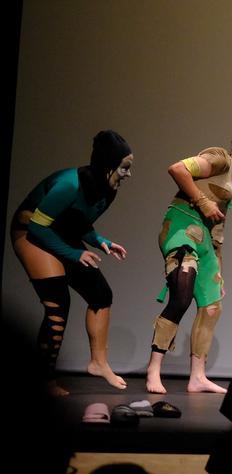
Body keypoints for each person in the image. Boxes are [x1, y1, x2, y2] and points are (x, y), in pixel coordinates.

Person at [10, 130, 132, 396]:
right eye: (124, 168)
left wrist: (100, 240)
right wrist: (75, 254)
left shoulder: (107, 190)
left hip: (60, 231)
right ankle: (44, 380)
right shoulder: (69, 184)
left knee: (101, 294)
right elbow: (37, 228)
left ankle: (99, 363)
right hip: (30, 232)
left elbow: (79, 223)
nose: (128, 174)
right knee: (58, 305)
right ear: (108, 165)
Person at [146, 128, 232, 394]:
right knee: (181, 296)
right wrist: (202, 201)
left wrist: (219, 269)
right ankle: (153, 369)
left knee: (212, 307)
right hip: (181, 230)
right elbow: (177, 169)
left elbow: (217, 229)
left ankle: (198, 377)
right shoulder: (220, 158)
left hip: (204, 241)